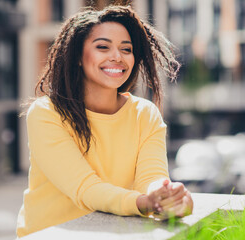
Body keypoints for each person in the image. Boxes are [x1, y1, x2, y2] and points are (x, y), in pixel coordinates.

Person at [16, 5, 193, 238]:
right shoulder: (46, 113)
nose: (117, 57)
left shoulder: (145, 114)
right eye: (102, 47)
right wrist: (144, 202)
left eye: (126, 49)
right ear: (78, 56)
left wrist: (166, 196)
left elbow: (151, 178)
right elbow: (85, 189)